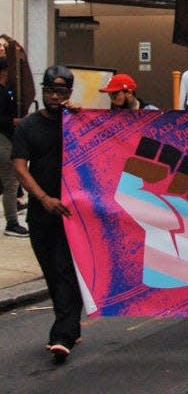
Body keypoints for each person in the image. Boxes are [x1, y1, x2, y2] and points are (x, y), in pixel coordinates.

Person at [11, 66, 83, 364]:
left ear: (69, 93)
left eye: (62, 92)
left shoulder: (76, 122)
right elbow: (19, 167)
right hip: (42, 212)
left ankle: (62, 335)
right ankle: (70, 324)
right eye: (50, 91)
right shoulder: (28, 127)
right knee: (52, 273)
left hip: (72, 212)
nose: (55, 97)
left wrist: (79, 117)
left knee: (66, 269)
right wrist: (42, 198)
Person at [1, 57, 28, 237]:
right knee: (11, 181)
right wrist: (17, 121)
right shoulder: (2, 93)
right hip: (3, 139)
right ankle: (11, 222)